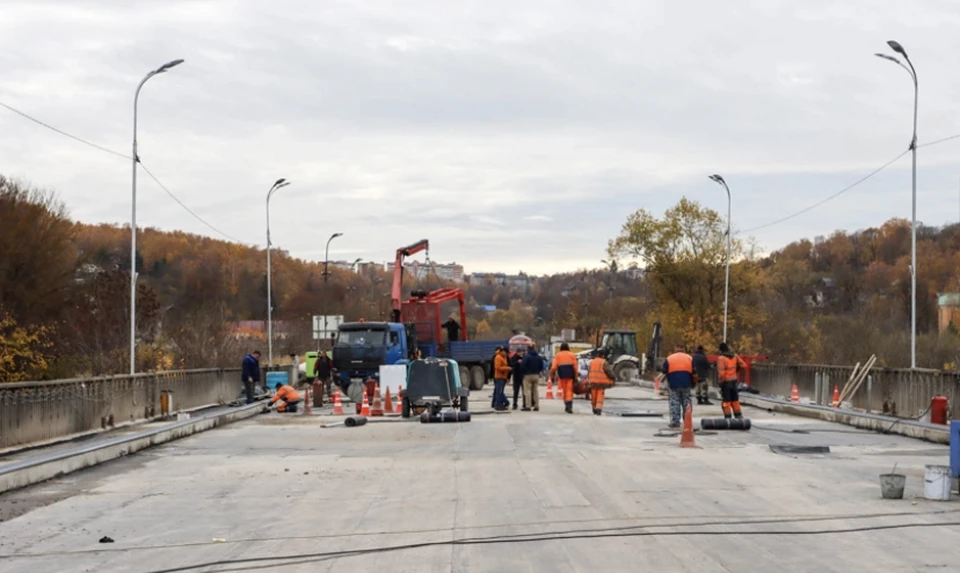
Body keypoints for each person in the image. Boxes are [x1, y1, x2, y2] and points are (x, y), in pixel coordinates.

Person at [662, 344, 697, 428]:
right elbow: (695, 373)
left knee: (675, 402)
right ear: (683, 349)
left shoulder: (669, 358)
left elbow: (664, 371)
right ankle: (687, 421)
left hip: (674, 384)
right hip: (686, 384)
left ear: (675, 349)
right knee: (687, 402)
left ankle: (675, 421)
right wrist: (693, 383)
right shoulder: (689, 358)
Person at [717, 342, 747, 419]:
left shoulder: (721, 358)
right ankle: (738, 415)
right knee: (735, 399)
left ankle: (728, 417)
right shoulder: (735, 356)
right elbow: (743, 365)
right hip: (734, 381)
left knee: (726, 401)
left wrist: (721, 383)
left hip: (726, 382)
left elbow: (722, 373)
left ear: (720, 350)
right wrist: (736, 370)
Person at [550, 342, 579, 414]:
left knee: (565, 390)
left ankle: (566, 404)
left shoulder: (558, 355)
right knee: (569, 390)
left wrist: (552, 377)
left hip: (562, 375)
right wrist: (576, 377)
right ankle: (569, 405)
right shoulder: (572, 355)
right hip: (570, 375)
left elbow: (553, 368)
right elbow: (575, 367)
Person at [587, 349, 616, 415]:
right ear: (603, 355)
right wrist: (613, 378)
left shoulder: (592, 362)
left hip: (593, 382)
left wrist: (589, 380)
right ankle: (598, 408)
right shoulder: (603, 362)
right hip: (601, 383)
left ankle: (594, 408)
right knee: (600, 396)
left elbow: (589, 372)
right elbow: (609, 372)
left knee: (593, 396)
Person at [521, 345, 546, 411]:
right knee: (535, 391)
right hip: (536, 375)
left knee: (527, 391)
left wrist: (524, 372)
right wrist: (538, 371)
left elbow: (523, 365)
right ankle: (536, 405)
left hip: (528, 375)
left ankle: (528, 406)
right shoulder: (539, 357)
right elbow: (542, 366)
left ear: (528, 349)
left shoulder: (527, 357)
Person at [492, 346, 511, 411]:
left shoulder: (504, 357)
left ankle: (501, 404)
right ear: (503, 351)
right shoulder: (498, 357)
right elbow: (497, 367)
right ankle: (498, 405)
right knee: (499, 392)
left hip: (503, 377)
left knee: (500, 391)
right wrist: (507, 368)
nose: (507, 354)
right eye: (506, 352)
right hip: (499, 377)